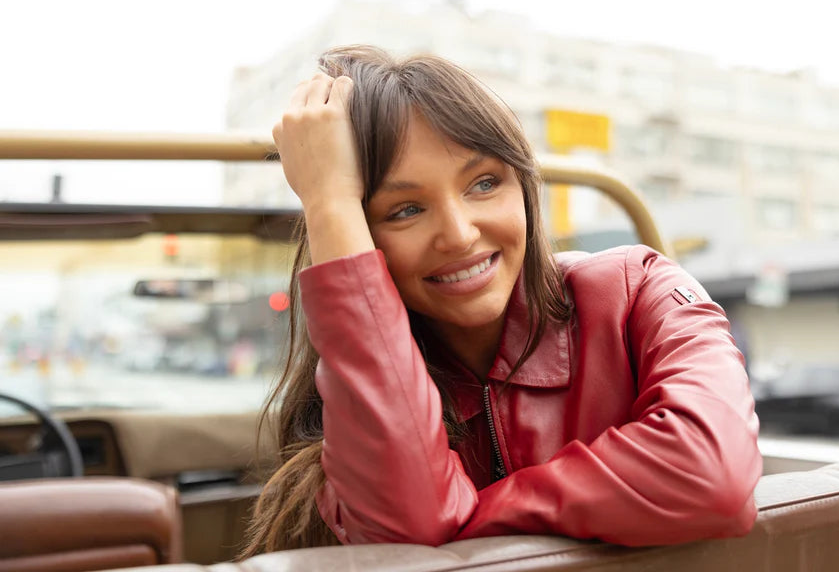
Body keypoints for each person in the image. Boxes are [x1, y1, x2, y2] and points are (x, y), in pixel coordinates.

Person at [242, 45, 761, 555]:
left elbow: (713, 472)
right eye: (404, 210)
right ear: (359, 239)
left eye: (485, 183)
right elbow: (404, 524)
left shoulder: (639, 289)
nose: (460, 234)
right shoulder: (344, 415)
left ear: (524, 187)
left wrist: (465, 518)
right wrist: (328, 203)